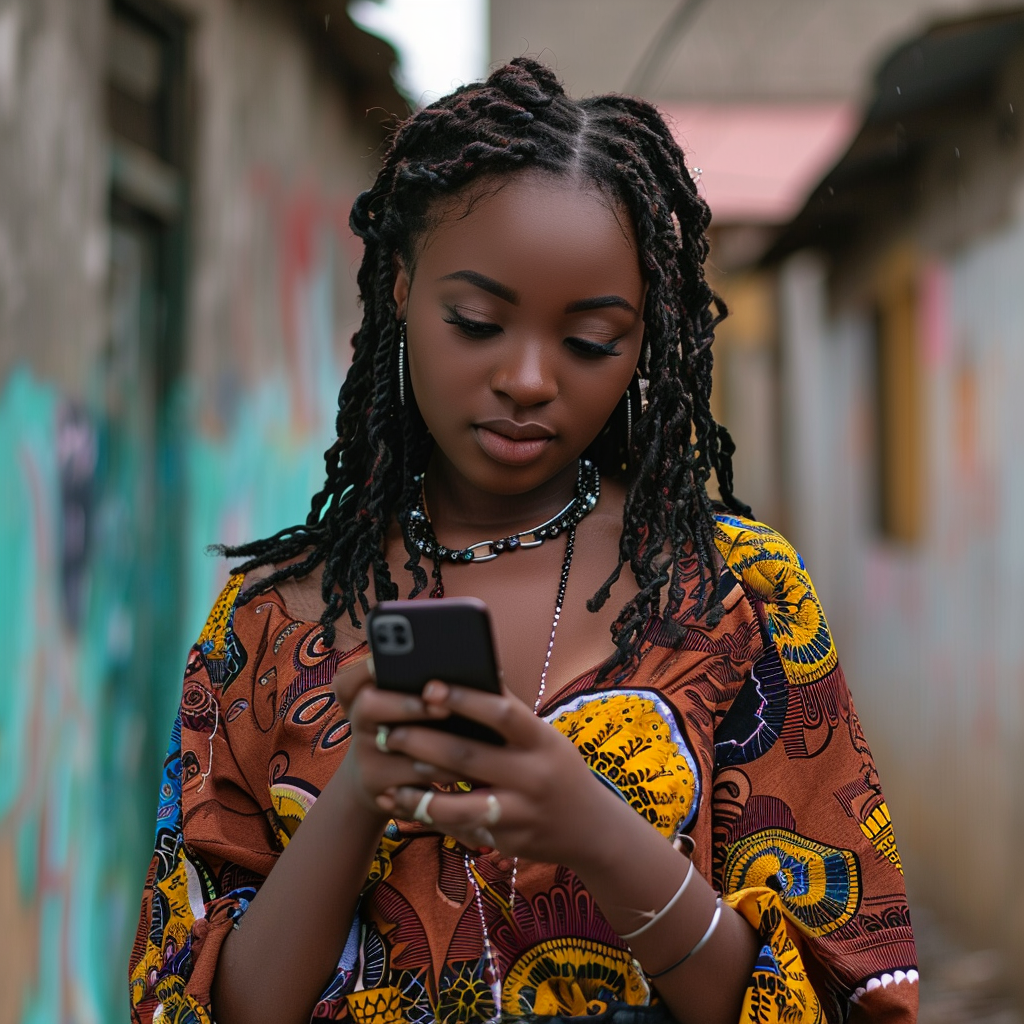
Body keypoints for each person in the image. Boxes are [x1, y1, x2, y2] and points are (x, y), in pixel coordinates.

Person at [128, 59, 918, 1024]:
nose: (530, 378)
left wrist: (593, 828)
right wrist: (361, 791)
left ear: (643, 344)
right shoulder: (266, 624)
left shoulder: (735, 595)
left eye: (590, 340)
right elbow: (193, 1004)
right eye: (478, 322)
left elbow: (853, 995)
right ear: (403, 291)